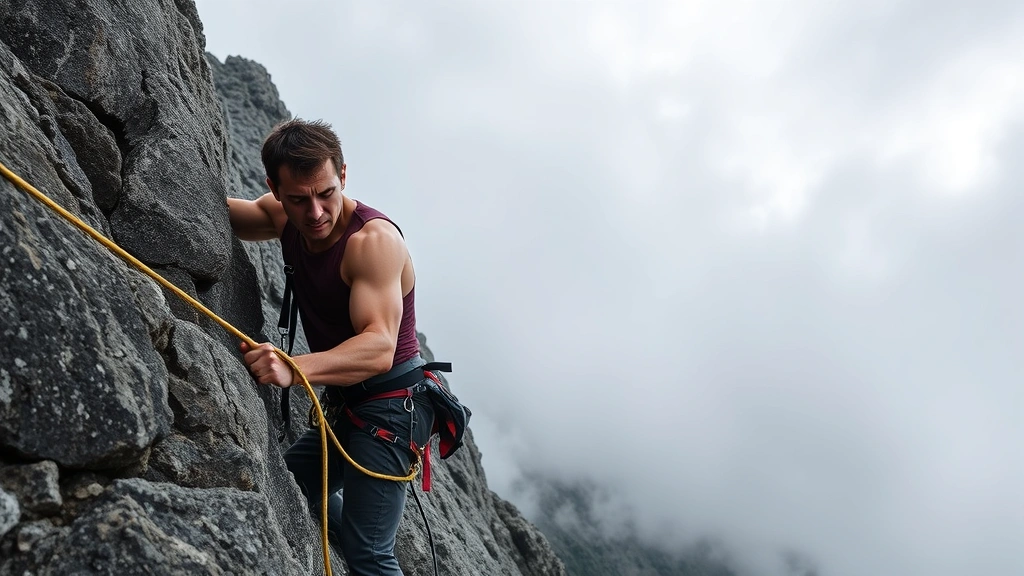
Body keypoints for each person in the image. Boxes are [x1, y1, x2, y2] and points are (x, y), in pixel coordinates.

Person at [226, 118, 434, 576]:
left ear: (344, 174)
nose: (315, 212)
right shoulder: (283, 216)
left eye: (326, 194)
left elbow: (379, 346)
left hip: (390, 410)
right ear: (276, 191)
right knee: (293, 482)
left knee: (370, 553)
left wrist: (292, 367)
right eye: (299, 199)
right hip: (348, 403)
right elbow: (220, 214)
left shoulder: (372, 243)